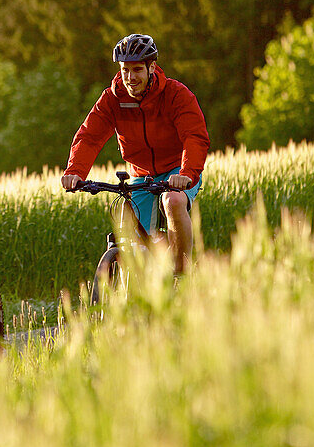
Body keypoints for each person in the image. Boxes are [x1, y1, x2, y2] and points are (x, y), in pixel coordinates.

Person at [61, 33, 210, 275]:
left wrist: (187, 174)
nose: (130, 78)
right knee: (130, 230)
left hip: (177, 170)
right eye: (125, 70)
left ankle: (182, 277)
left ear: (152, 67)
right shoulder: (112, 99)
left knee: (172, 201)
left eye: (137, 70)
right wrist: (75, 172)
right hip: (141, 175)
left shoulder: (175, 94)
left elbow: (195, 136)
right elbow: (89, 137)